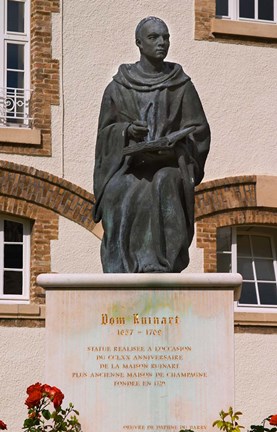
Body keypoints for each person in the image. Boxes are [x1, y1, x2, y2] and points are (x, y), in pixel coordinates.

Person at [93, 17, 210, 273]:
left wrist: (177, 146)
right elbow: (104, 136)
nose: (162, 43)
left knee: (164, 182)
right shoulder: (117, 87)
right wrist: (126, 132)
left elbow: (199, 130)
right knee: (117, 190)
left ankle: (161, 263)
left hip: (171, 165)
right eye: (154, 37)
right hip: (129, 166)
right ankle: (122, 265)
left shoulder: (181, 85)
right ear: (139, 43)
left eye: (165, 37)